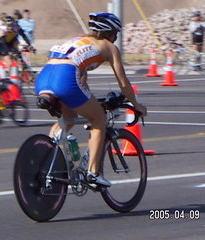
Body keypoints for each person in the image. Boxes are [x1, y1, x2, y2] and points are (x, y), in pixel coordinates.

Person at [35, 12, 147, 187]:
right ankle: (93, 174)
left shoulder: (79, 41)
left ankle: (51, 156)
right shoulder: (108, 47)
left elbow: (82, 80)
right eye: (115, 34)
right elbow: (123, 82)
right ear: (109, 33)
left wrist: (89, 100)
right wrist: (136, 105)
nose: (115, 38)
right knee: (99, 118)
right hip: (65, 78)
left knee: (68, 118)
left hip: (43, 78)